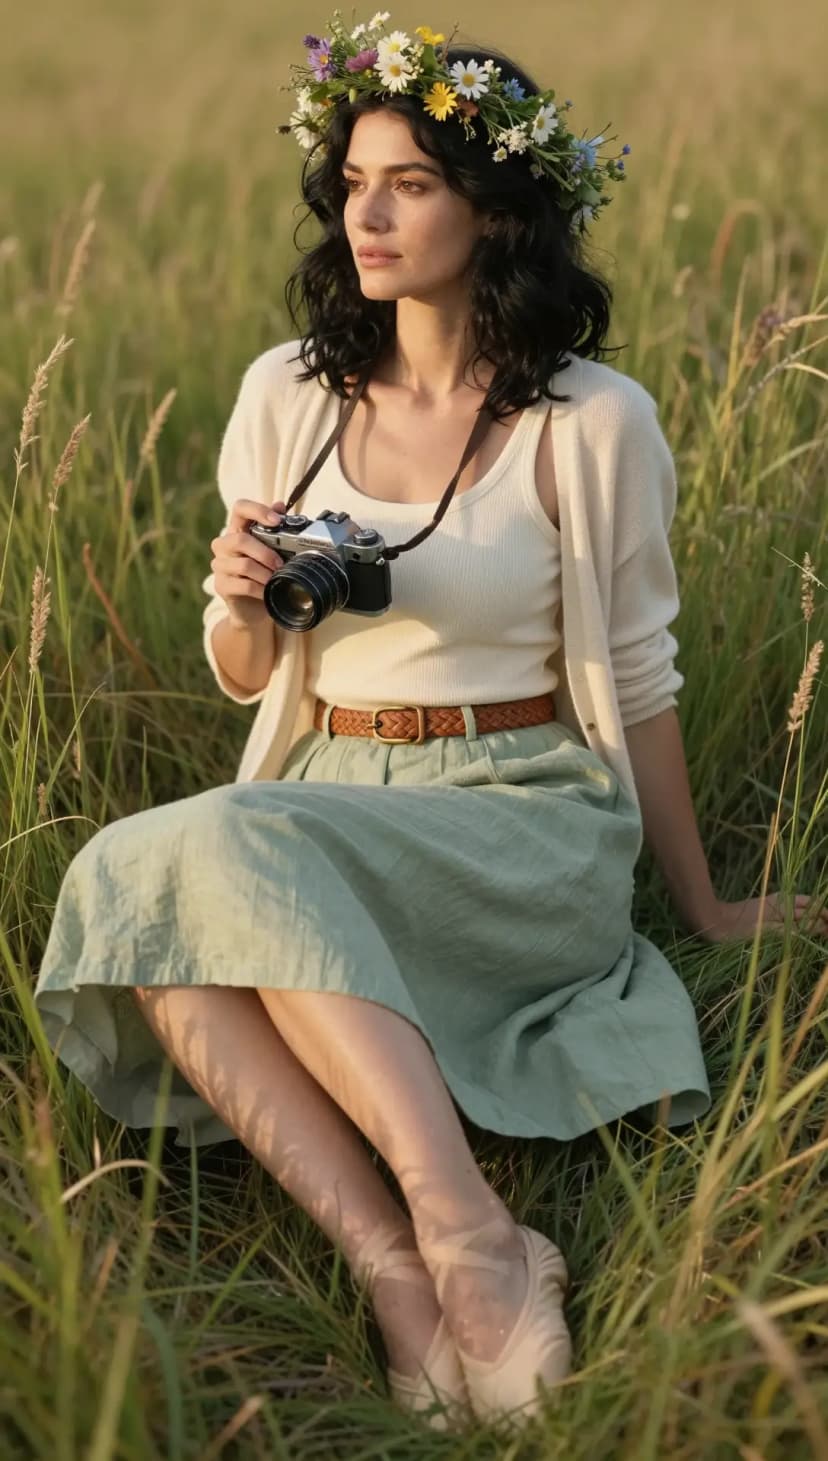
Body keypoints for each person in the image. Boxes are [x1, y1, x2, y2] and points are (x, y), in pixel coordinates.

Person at [38, 14, 812, 1436]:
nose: (369, 213)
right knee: (155, 898)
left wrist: (697, 904)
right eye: (354, 184)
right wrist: (244, 601)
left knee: (203, 864)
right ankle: (405, 1260)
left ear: (497, 210)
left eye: (412, 183)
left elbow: (641, 675)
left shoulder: (593, 422)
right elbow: (240, 668)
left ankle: (461, 1225)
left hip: (517, 807)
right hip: (324, 784)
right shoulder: (290, 393)